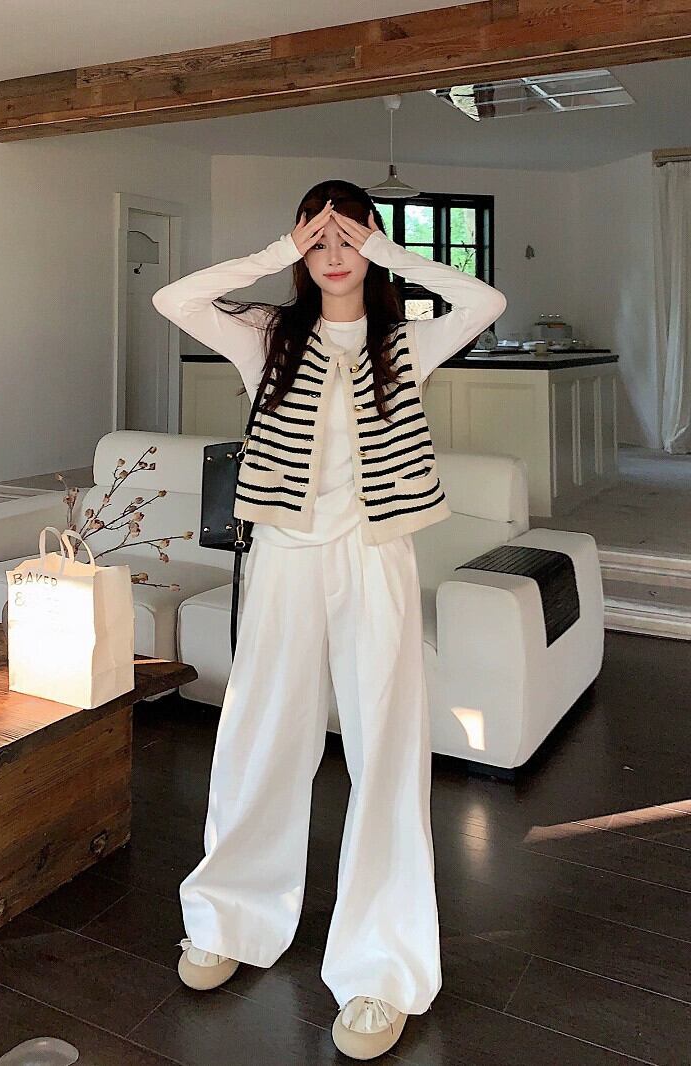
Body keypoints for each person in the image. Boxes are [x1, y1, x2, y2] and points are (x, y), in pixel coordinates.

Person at [151, 179, 506, 1060]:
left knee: (386, 746)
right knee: (260, 730)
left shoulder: (406, 340)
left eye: (351, 237)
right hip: (284, 553)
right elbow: (175, 299)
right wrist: (281, 249)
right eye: (320, 239)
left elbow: (485, 302)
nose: (336, 253)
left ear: (374, 245)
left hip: (376, 555)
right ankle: (229, 918)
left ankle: (381, 968)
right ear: (300, 249)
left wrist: (392, 254)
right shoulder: (266, 335)